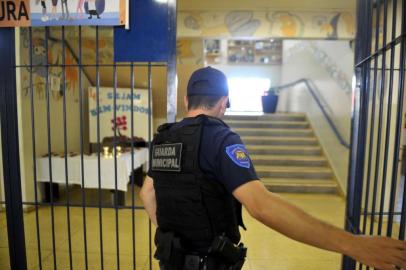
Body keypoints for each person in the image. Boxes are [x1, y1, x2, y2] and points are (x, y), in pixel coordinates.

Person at [140, 67, 406, 270]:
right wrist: (352, 244)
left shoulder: (164, 136)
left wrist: (175, 234)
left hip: (170, 258)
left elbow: (147, 194)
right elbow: (262, 206)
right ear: (224, 102)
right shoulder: (220, 138)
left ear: (187, 100)